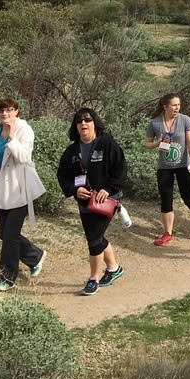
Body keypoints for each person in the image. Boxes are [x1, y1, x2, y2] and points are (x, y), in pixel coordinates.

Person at [0, 98, 46, 291]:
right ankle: (35, 256)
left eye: (9, 110)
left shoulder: (25, 130)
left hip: (20, 187)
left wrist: (12, 137)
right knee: (3, 233)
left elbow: (24, 156)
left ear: (17, 111)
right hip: (1, 187)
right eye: (1, 111)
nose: (5, 114)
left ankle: (7, 277)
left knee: (10, 235)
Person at [57, 107, 128, 295]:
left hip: (107, 200)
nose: (83, 124)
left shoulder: (107, 144)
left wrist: (108, 189)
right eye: (79, 121)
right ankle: (114, 269)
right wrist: (74, 189)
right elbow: (62, 175)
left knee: (94, 239)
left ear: (94, 122)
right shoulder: (72, 151)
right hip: (85, 202)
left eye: (87, 120)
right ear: (75, 127)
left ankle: (93, 279)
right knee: (95, 237)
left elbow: (121, 169)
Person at [144, 92, 190, 245]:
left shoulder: (185, 120)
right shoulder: (155, 123)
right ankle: (168, 233)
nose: (177, 108)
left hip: (183, 165)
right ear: (165, 106)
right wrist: (157, 143)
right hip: (164, 167)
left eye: (178, 105)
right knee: (166, 200)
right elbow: (147, 144)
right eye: (174, 105)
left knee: (188, 197)